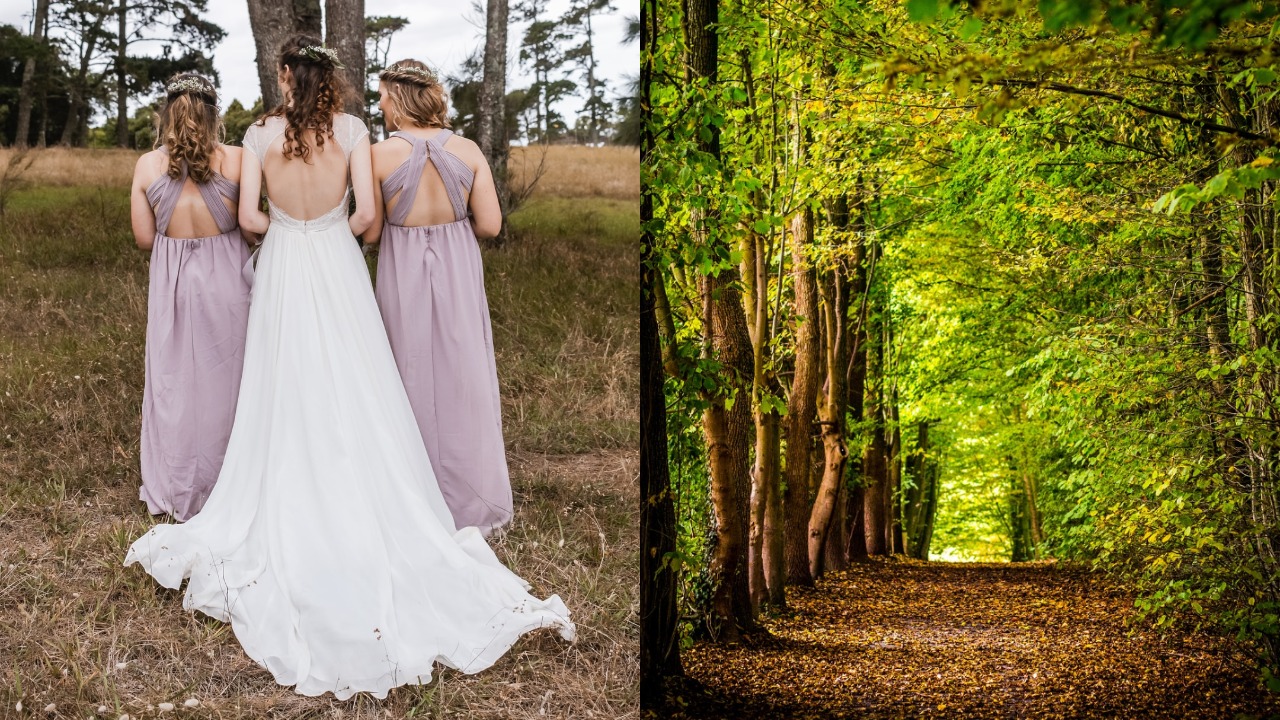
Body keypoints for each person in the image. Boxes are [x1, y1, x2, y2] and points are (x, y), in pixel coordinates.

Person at [124, 36, 574, 701]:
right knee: (360, 380)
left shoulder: (259, 134)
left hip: (284, 262)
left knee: (280, 384)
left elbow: (248, 216)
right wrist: (338, 228)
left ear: (284, 76)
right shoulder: (356, 130)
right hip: (336, 260)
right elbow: (369, 217)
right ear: (329, 80)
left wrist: (281, 226)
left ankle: (287, 479)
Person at [363, 59, 513, 536]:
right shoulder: (467, 150)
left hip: (403, 266)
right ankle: (471, 498)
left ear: (400, 99)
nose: (381, 104)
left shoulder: (377, 155)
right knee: (463, 370)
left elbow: (370, 231)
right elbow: (489, 225)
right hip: (457, 266)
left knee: (406, 371)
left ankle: (414, 497)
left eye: (384, 96)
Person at [129, 73, 252, 522]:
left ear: (167, 114)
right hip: (228, 278)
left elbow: (144, 237)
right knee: (230, 376)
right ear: (213, 113)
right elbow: (253, 223)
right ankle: (228, 479)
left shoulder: (146, 166)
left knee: (174, 379)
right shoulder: (238, 159)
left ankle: (178, 479)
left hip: (174, 280)